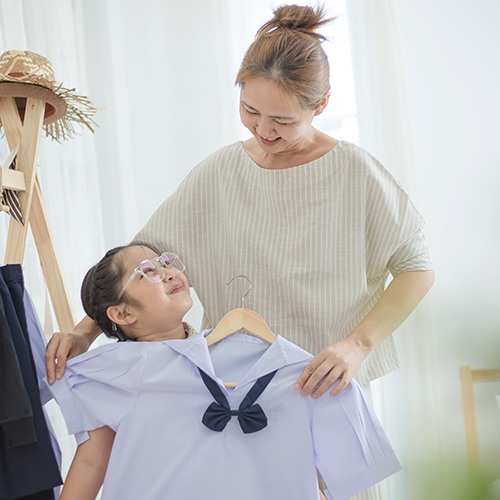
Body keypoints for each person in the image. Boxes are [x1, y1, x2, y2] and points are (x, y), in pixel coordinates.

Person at [46, 5, 434, 499]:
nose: (263, 130)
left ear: (321, 104)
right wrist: (86, 332)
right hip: (229, 405)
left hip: (321, 392)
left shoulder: (356, 173)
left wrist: (357, 345)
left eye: (282, 119)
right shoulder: (220, 173)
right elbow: (143, 265)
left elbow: (417, 269)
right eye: (250, 111)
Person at [49, 242, 401, 500]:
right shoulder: (119, 371)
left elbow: (318, 482)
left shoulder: (298, 373)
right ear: (123, 314)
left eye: (166, 261)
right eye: (148, 271)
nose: (168, 271)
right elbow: (91, 464)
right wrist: (80, 336)